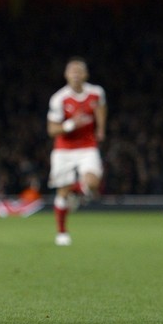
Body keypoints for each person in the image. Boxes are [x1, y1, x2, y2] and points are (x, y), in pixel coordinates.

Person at [46, 56, 107, 246]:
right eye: (72, 71)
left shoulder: (96, 93)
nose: (76, 75)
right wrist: (72, 124)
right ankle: (62, 232)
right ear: (66, 75)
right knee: (62, 191)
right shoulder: (59, 98)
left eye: (79, 71)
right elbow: (52, 130)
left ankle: (79, 190)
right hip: (64, 150)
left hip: (87, 147)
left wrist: (100, 129)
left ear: (85, 74)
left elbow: (101, 108)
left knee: (94, 182)